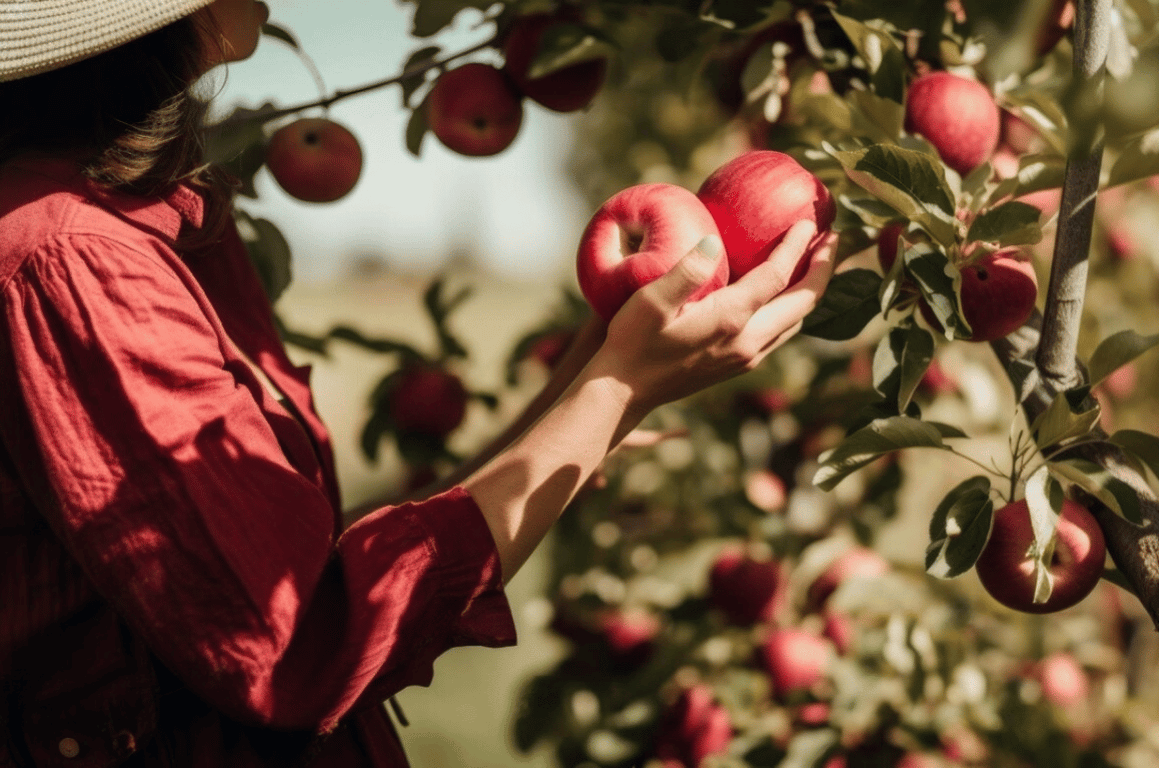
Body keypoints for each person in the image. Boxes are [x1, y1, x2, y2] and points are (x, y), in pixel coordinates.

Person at [0, 0, 837, 765]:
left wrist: (604, 368)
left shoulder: (162, 219)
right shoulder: (73, 262)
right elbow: (300, 642)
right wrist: (618, 389)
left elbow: (296, 559)